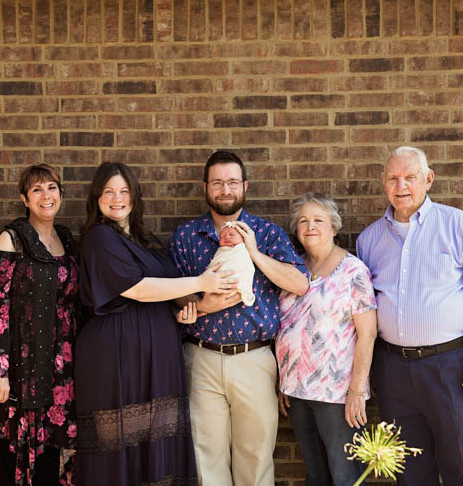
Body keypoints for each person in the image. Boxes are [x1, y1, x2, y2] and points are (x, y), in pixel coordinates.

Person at [75, 161, 236, 486]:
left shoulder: (146, 241)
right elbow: (137, 288)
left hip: (156, 359)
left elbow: (164, 293)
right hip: (116, 359)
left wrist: (186, 311)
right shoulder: (99, 238)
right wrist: (200, 282)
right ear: (96, 199)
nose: (117, 198)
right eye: (108, 192)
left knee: (155, 450)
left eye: (123, 191)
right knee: (117, 449)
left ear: (134, 196)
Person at [356, 146, 463, 486]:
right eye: (393, 178)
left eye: (410, 177)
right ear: (383, 183)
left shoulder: (457, 225)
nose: (402, 186)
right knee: (408, 468)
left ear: (428, 179)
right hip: (393, 369)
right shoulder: (369, 241)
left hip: (452, 365)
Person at [169, 150, 308, 486]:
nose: (225, 189)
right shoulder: (186, 236)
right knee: (206, 459)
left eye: (232, 182)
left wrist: (254, 252)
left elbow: (300, 283)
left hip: (255, 358)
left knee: (256, 458)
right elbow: (173, 292)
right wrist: (201, 305)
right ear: (205, 187)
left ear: (245, 186)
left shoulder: (268, 233)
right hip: (201, 357)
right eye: (217, 183)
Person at [0, 164, 79, 486]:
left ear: (61, 193)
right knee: (7, 456)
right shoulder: (11, 239)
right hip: (18, 367)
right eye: (37, 190)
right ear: (24, 198)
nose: (46, 196)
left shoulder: (67, 240)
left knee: (49, 455)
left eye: (52, 188)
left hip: (58, 369)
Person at [276, 193, 377, 486]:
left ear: (334, 227)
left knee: (345, 476)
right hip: (297, 391)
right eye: (303, 221)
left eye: (319, 220)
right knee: (315, 474)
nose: (310, 226)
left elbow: (367, 334)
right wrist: (283, 379)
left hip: (337, 394)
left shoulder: (353, 271)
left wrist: (357, 391)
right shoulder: (293, 269)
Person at [208, 222, 256, 306]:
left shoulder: (242, 249)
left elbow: (246, 267)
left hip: (238, 278)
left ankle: (241, 288)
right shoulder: (221, 252)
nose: (227, 237)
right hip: (219, 284)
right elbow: (216, 263)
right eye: (222, 236)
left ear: (242, 238)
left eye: (231, 234)